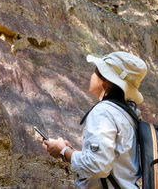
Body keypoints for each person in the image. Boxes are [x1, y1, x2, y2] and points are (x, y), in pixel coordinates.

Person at [43, 51, 147, 188]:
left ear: (106, 79)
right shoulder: (127, 114)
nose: (91, 75)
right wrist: (70, 152)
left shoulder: (103, 112)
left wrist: (62, 150)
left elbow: (98, 165)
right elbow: (111, 162)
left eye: (95, 71)